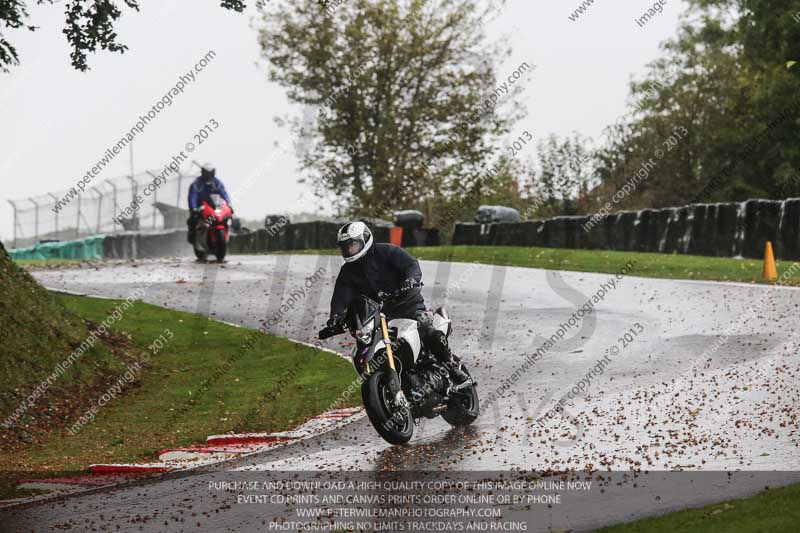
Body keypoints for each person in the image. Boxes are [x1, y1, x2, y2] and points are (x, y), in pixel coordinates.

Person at [327, 221, 468, 383]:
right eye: (345, 247)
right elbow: (340, 297)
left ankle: (450, 365)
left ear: (364, 240)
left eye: (352, 245)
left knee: (428, 331)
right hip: (378, 318)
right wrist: (335, 318)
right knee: (364, 349)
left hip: (408, 305)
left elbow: (411, 264)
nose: (348, 250)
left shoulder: (386, 251)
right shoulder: (347, 272)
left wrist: (410, 280)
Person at [186, 163, 232, 243]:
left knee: (228, 215)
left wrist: (229, 204)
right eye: (207, 174)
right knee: (193, 218)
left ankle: (230, 231)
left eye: (210, 174)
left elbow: (224, 194)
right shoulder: (196, 184)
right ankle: (192, 234)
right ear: (203, 173)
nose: (208, 176)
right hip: (200, 206)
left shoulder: (217, 183)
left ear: (213, 173)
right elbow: (192, 197)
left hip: (214, 206)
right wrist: (193, 207)